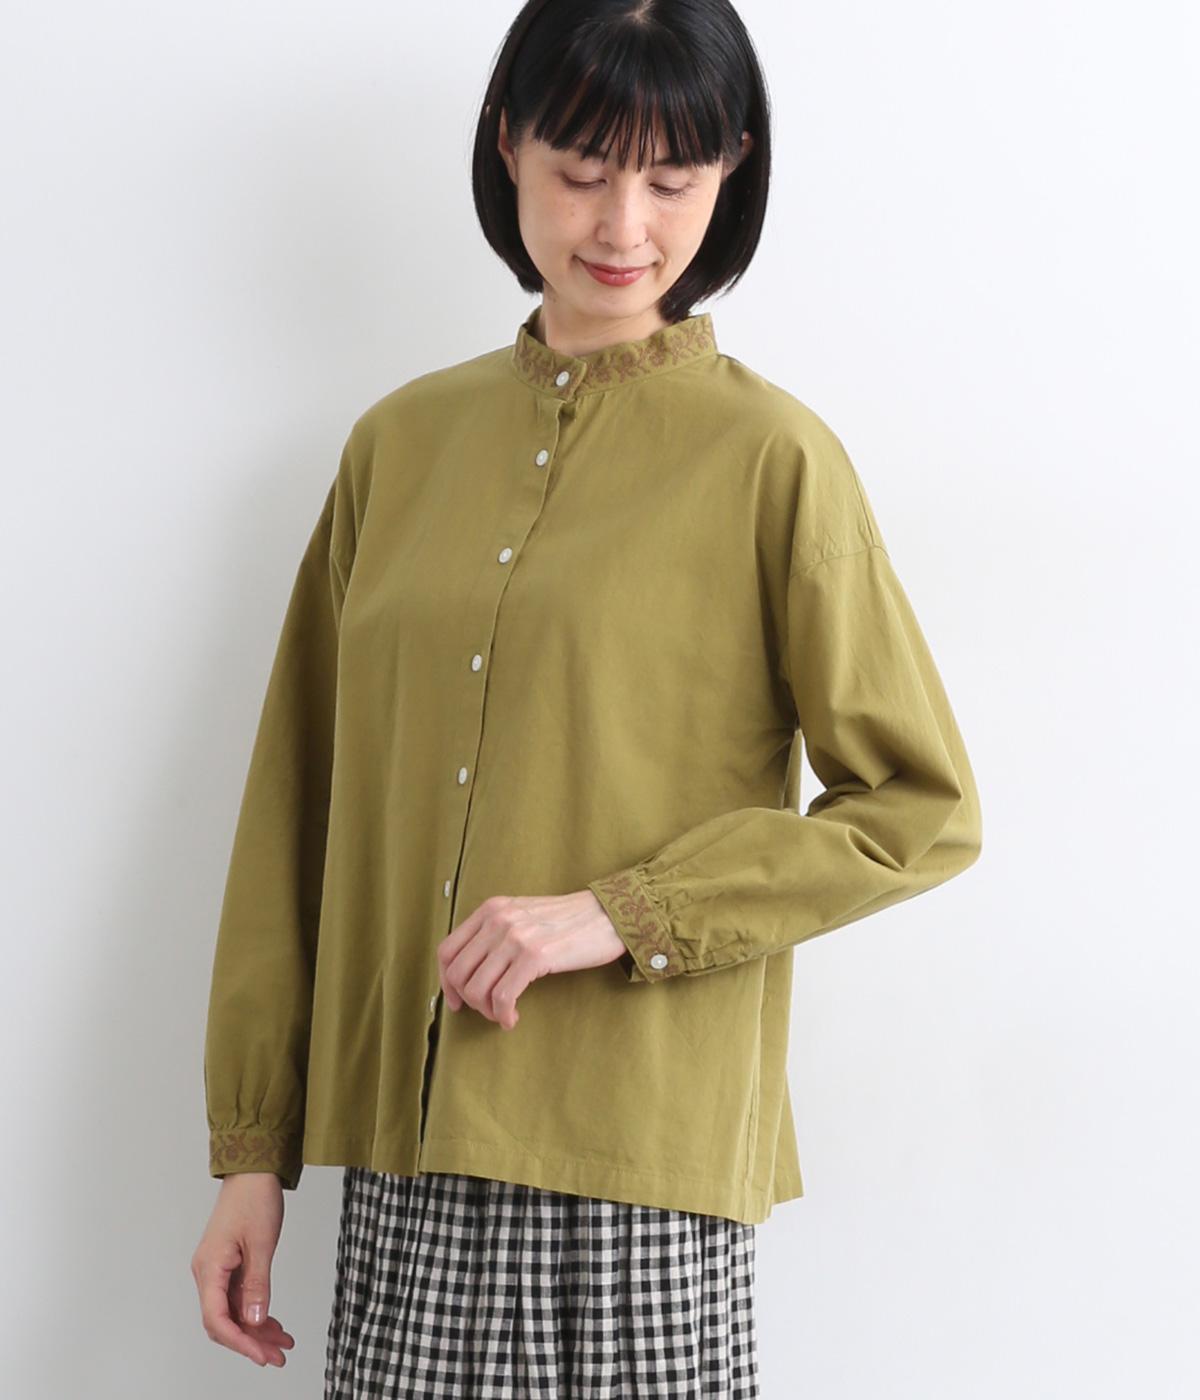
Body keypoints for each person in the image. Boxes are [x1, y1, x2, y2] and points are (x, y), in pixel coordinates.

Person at [191, 0, 983, 1394]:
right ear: (508, 145)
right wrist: (252, 1151)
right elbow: (293, 807)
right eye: (583, 169)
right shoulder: (397, 446)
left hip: (637, 1176)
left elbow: (919, 809)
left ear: (731, 172)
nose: (624, 224)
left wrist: (625, 912)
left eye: (673, 179)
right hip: (406, 1166)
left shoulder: (774, 461)